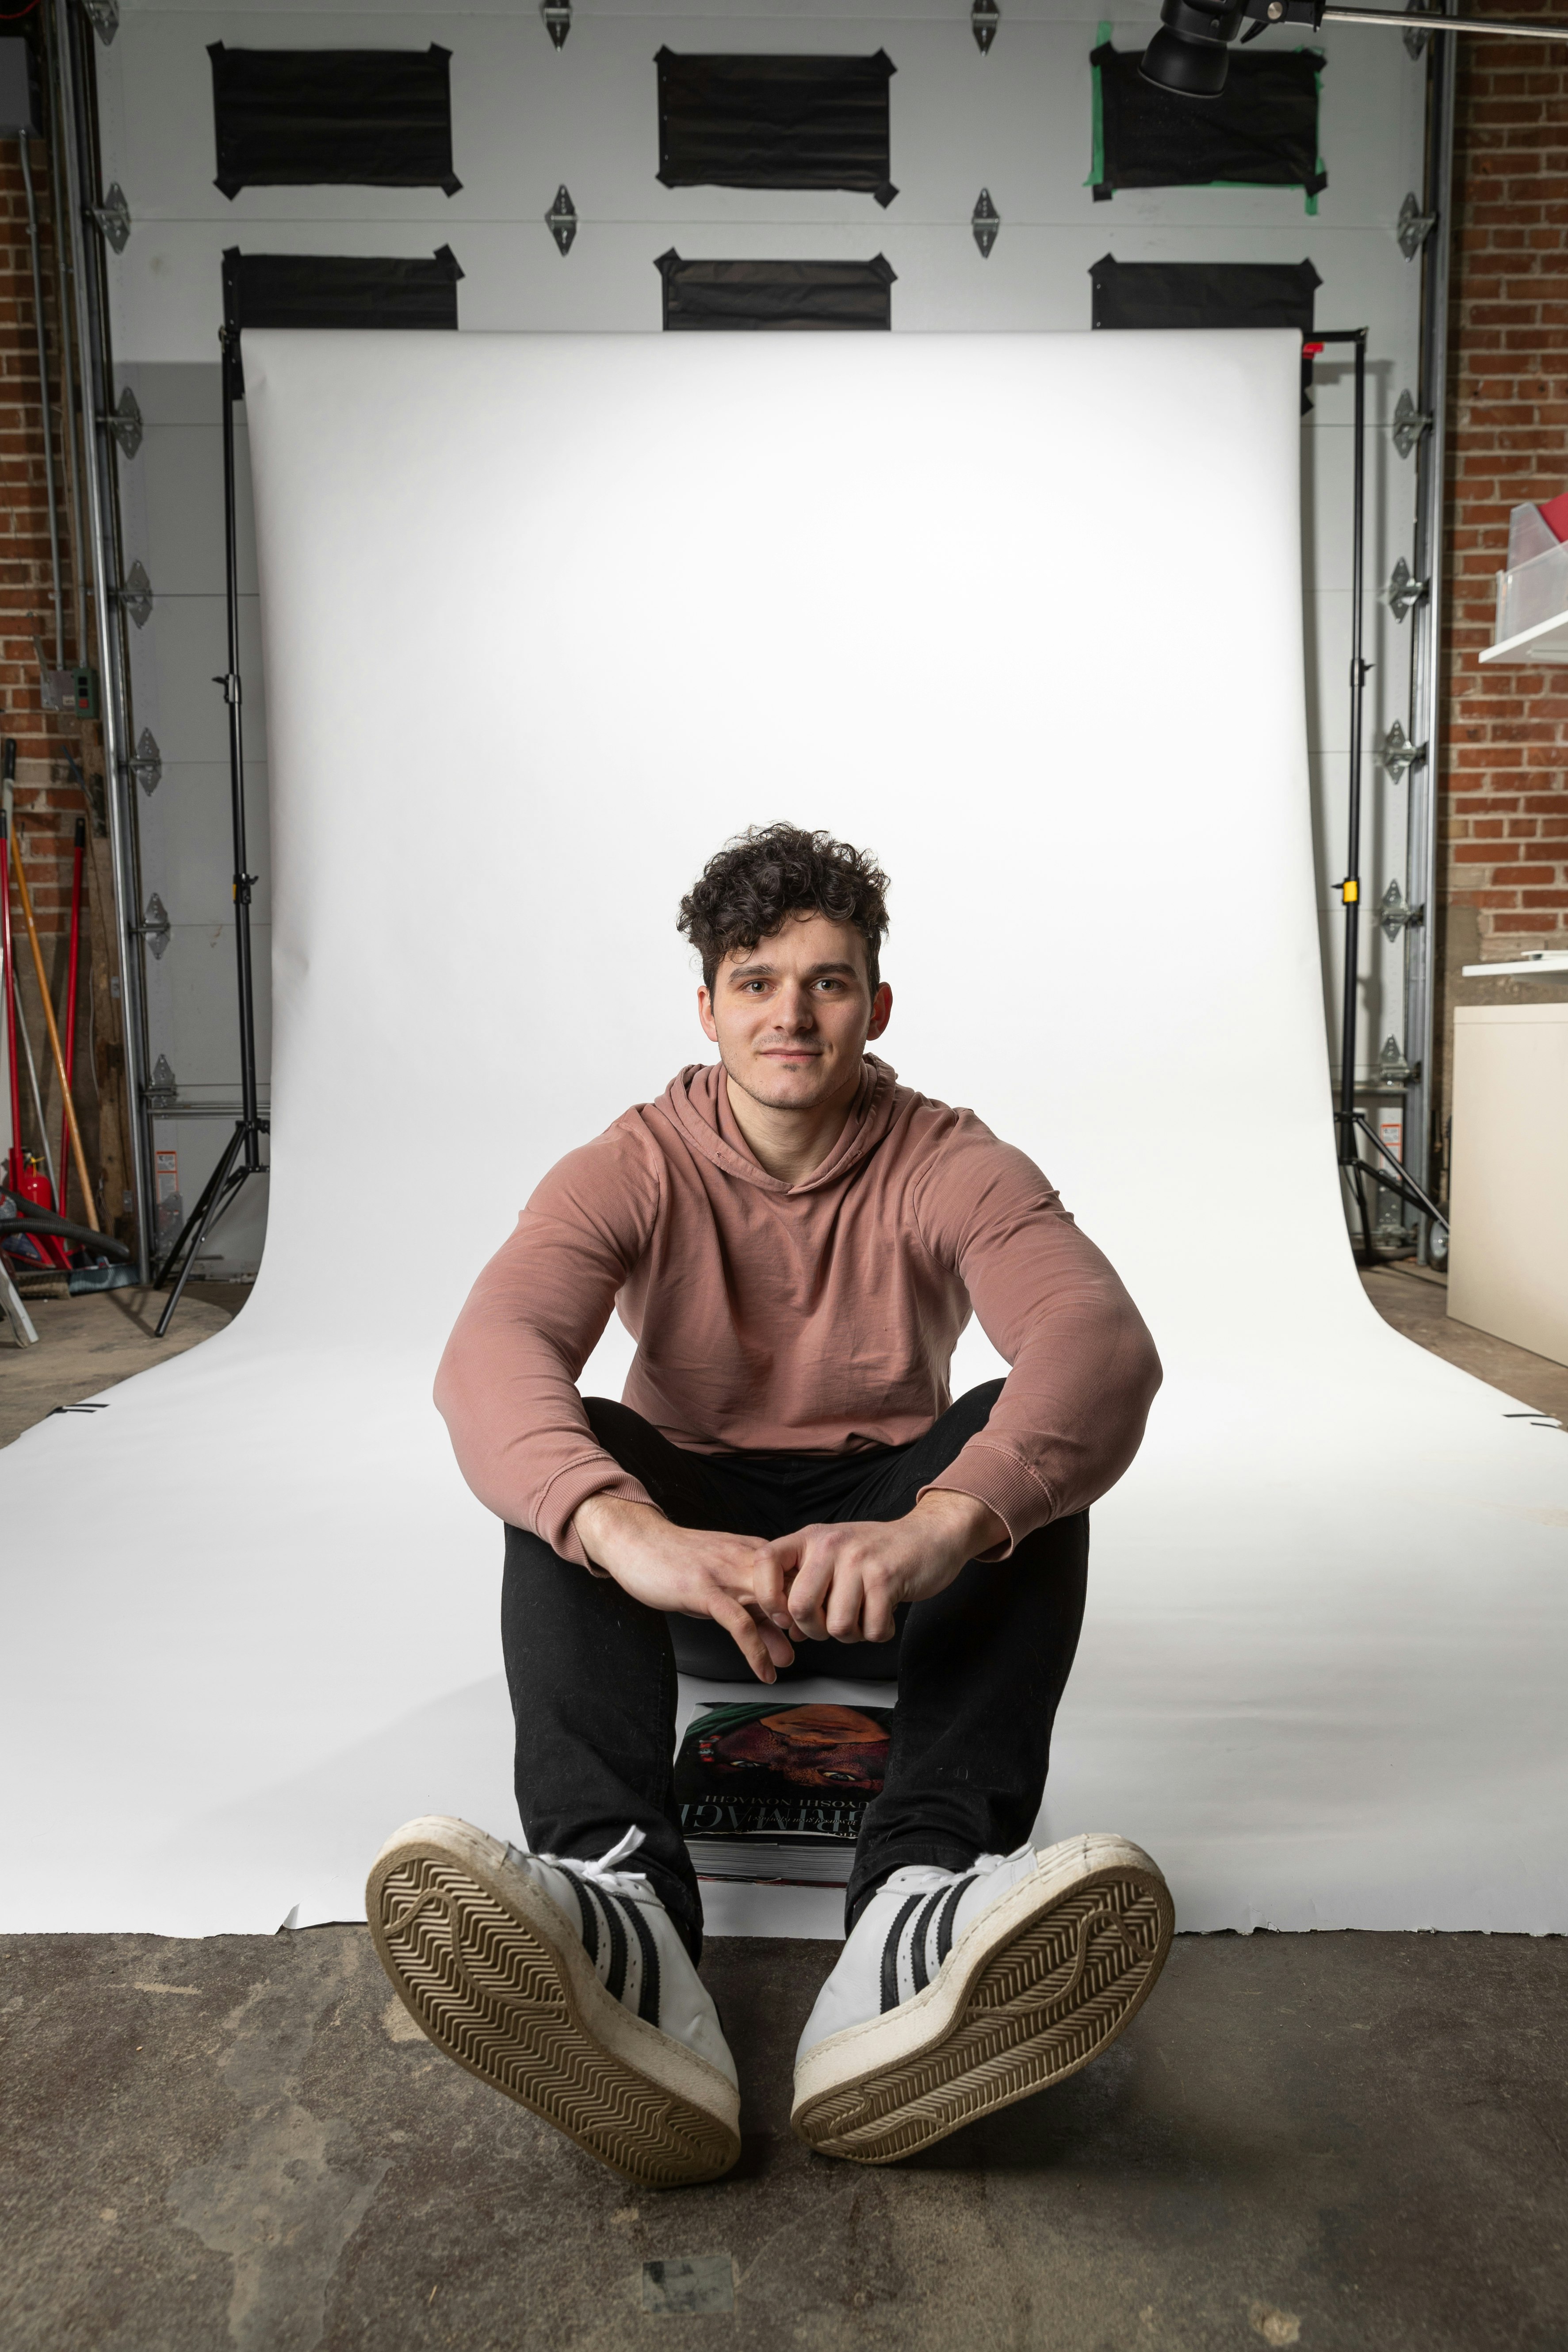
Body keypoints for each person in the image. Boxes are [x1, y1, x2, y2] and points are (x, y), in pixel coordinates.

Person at [367, 823, 1170, 2188]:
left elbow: (1100, 1344)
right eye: (755, 981)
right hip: (689, 1569)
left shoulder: (946, 1157)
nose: (790, 1015)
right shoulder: (629, 1163)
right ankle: (619, 1902)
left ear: (876, 1005)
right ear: (706, 1006)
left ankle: (916, 1901)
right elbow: (485, 1359)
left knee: (1012, 1446)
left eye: (827, 981)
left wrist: (942, 1522)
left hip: (889, 1563)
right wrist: (634, 1535)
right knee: (575, 1447)